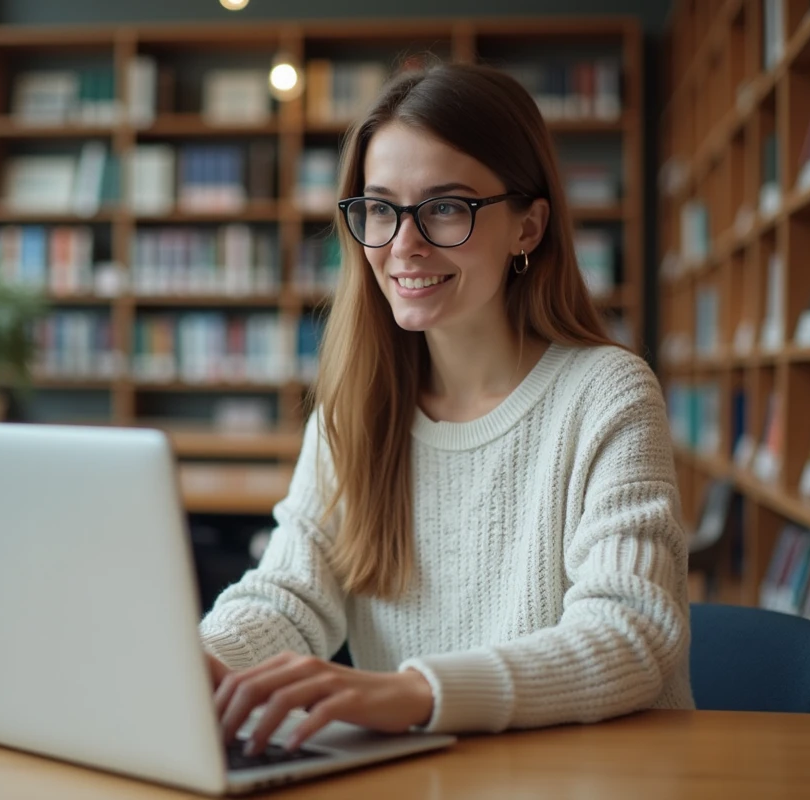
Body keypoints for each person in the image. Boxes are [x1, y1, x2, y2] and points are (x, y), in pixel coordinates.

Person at [199, 61, 694, 757]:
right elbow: (289, 596)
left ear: (528, 225)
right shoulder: (354, 409)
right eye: (379, 207)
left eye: (445, 208)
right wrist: (197, 666)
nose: (404, 244)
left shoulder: (608, 393)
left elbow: (629, 632)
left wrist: (417, 694)